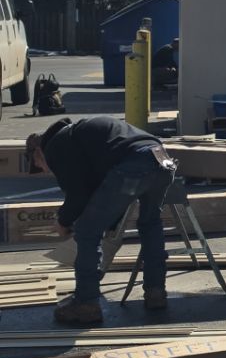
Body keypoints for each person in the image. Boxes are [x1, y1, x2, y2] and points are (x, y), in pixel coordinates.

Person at [26, 116, 178, 324]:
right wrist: (108, 223)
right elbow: (100, 190)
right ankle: (156, 292)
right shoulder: (80, 137)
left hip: (135, 164)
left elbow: (78, 194)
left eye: (39, 165)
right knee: (150, 223)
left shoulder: (56, 146)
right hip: (161, 160)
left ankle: (86, 303)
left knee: (87, 232)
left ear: (38, 151)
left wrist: (63, 221)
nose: (45, 170)